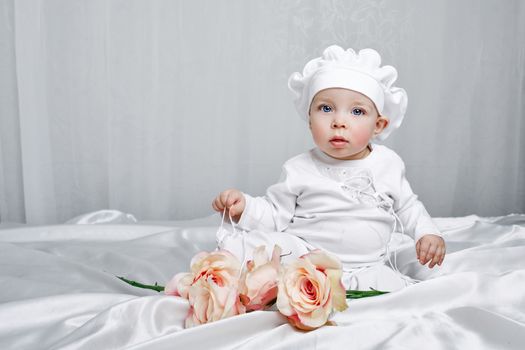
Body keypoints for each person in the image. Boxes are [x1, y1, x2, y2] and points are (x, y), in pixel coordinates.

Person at [212, 45, 446, 291]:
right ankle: (222, 271)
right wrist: (244, 207)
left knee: (398, 289)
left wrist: (427, 233)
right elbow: (274, 214)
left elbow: (408, 207)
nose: (339, 122)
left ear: (378, 125)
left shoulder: (388, 163)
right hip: (304, 258)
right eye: (326, 108)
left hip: (366, 265)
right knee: (259, 245)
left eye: (357, 111)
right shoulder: (298, 168)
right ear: (309, 120)